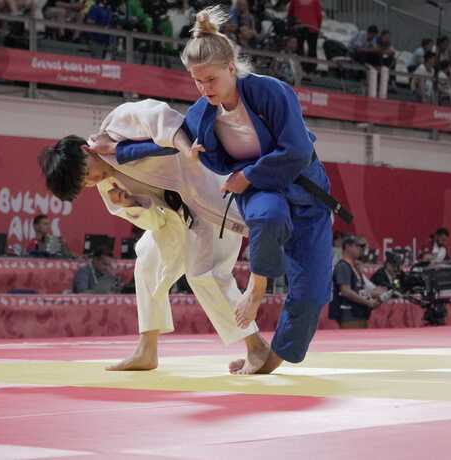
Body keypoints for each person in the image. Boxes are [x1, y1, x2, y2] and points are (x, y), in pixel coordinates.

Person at [114, 7, 335, 374]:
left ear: (232, 68)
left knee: (312, 294)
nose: (205, 88)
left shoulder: (270, 92)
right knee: (267, 215)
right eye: (197, 81)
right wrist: (116, 150)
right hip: (261, 191)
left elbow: (296, 150)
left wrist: (248, 174)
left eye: (211, 79)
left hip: (304, 190)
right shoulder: (202, 115)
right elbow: (166, 143)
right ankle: (256, 290)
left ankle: (270, 359)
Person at [39, 98, 269, 374]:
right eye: (84, 184)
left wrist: (184, 146)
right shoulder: (108, 187)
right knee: (147, 261)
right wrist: (131, 204)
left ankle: (256, 347)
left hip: (207, 190)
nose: (92, 180)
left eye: (87, 172)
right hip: (178, 218)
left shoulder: (118, 124)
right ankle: (147, 350)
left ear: (85, 150)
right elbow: (157, 223)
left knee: (203, 274)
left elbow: (163, 118)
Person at [328, 235, 379, 329]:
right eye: (357, 246)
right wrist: (368, 302)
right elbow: (346, 291)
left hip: (358, 313)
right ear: (348, 247)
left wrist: (373, 297)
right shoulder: (343, 266)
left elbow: (359, 290)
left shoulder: (354, 267)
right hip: (349, 315)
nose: (360, 249)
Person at [288, 0, 323, 74]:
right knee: (312, 49)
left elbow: (290, 13)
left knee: (299, 48)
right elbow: (319, 15)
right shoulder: (315, 1)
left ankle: (302, 68)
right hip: (312, 27)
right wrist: (318, 27)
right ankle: (311, 70)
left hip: (299, 27)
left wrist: (290, 26)